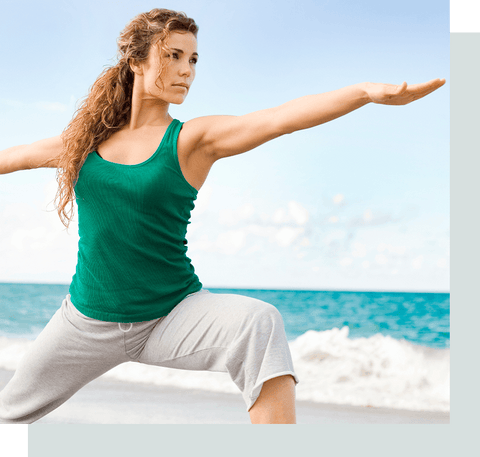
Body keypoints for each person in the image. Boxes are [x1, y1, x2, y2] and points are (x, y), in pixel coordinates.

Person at [0, 8, 445, 425]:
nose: (186, 70)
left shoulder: (193, 140)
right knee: (8, 417)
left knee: (259, 323)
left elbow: (279, 119)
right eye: (172, 56)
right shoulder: (83, 144)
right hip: (85, 323)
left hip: (170, 315)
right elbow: (16, 157)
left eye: (193, 59)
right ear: (136, 60)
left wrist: (364, 93)